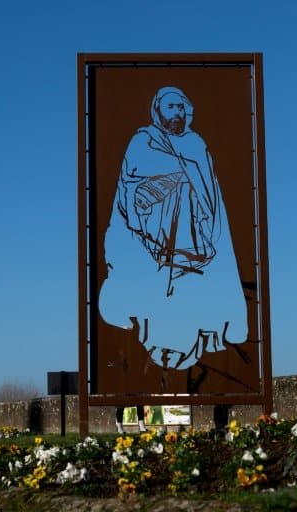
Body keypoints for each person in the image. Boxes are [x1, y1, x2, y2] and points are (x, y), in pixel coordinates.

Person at [99, 85, 247, 370]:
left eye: (181, 108)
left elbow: (209, 188)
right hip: (152, 233)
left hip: (195, 232)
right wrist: (174, 177)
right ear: (158, 111)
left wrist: (190, 184)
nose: (177, 113)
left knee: (191, 290)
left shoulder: (195, 143)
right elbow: (131, 182)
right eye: (171, 107)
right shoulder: (143, 140)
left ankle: (199, 331)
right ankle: (157, 335)